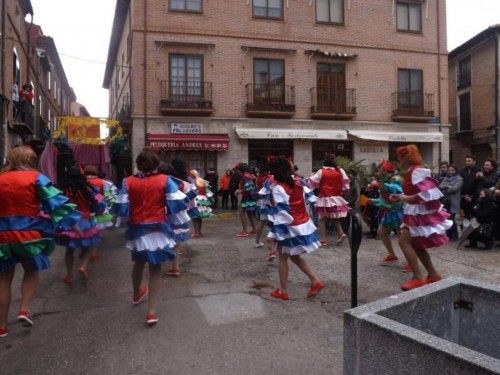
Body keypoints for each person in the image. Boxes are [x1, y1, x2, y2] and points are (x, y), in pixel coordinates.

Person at [0, 146, 79, 337]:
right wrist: (71, 223)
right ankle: (24, 309)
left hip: (2, 236)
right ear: (30, 161)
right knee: (31, 270)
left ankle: (1, 326)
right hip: (30, 236)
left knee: (3, 279)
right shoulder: (36, 178)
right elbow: (56, 203)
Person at [113, 148, 190, 325]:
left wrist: (125, 223)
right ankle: (151, 312)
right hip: (158, 229)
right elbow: (176, 204)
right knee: (155, 269)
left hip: (137, 229)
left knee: (138, 264)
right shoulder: (165, 180)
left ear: (138, 164)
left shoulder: (128, 181)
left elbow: (122, 208)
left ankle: (136, 294)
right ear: (157, 164)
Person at [390, 145, 452, 291]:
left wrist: (404, 197)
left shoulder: (417, 171)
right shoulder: (412, 171)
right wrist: (401, 197)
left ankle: (418, 277)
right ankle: (432, 274)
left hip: (419, 213)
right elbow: (420, 194)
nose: (398, 160)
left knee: (404, 242)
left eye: (399, 157)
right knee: (417, 244)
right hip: (416, 212)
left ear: (405, 158)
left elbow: (427, 194)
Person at [266, 157, 323, 301]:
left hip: (289, 227)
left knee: (283, 258)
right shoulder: (299, 182)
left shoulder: (279, 188)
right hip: (301, 223)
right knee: (294, 256)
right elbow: (306, 203)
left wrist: (274, 233)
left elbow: (282, 212)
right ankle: (315, 281)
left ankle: (283, 291)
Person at [57, 166, 104, 283]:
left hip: (69, 223)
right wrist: (98, 211)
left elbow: (59, 207)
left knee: (69, 251)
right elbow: (99, 201)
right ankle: (83, 265)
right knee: (90, 245)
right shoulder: (87, 188)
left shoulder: (63, 191)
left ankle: (69, 275)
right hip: (86, 221)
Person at [308, 153, 350, 245]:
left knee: (322, 218)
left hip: (324, 197)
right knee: (335, 217)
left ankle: (323, 239)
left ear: (325, 161)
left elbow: (312, 181)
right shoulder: (340, 170)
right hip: (336, 197)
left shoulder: (321, 171)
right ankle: (341, 233)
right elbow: (346, 185)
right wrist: (342, 191)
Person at [369, 161, 405, 266]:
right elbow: (386, 198)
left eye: (380, 169)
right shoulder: (386, 179)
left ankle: (411, 262)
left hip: (398, 211)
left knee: (402, 237)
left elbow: (396, 191)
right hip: (390, 211)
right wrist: (376, 201)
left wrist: (379, 185)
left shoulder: (396, 179)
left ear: (384, 171)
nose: (378, 172)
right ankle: (392, 255)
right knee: (382, 232)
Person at [84, 165, 118, 261]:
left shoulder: (82, 182)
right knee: (97, 232)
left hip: (85, 210)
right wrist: (103, 203)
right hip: (99, 211)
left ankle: (86, 249)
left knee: (87, 231)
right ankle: (93, 254)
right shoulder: (103, 182)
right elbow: (111, 195)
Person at [439, 165, 463, 241]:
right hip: (445, 200)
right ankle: (449, 235)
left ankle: (455, 235)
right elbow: (440, 186)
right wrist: (448, 187)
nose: (450, 172)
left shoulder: (460, 179)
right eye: (449, 170)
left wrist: (446, 188)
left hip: (453, 201)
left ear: (455, 171)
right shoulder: (446, 178)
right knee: (446, 218)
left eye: (452, 170)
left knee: (451, 218)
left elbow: (454, 189)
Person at [189, 169, 214, 238]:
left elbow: (192, 190)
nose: (189, 175)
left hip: (196, 199)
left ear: (193, 174)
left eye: (190, 174)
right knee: (199, 216)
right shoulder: (201, 180)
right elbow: (207, 190)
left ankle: (196, 233)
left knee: (194, 217)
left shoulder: (193, 181)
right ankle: (199, 232)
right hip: (203, 198)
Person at [235, 163, 257, 237]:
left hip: (247, 197)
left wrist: (239, 191)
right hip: (249, 197)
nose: (236, 172)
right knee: (249, 213)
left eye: (237, 170)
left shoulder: (245, 176)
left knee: (241, 213)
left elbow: (248, 188)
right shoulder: (247, 175)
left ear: (240, 170)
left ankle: (245, 231)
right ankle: (254, 229)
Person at [460, 156, 480, 220]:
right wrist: (464, 195)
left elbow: (479, 184)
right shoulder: (462, 171)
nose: (467, 162)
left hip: (474, 197)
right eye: (466, 161)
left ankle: (475, 229)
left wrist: (473, 196)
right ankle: (466, 229)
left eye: (469, 161)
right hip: (464, 197)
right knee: (465, 216)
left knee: (474, 215)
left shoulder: (478, 170)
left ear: (474, 162)